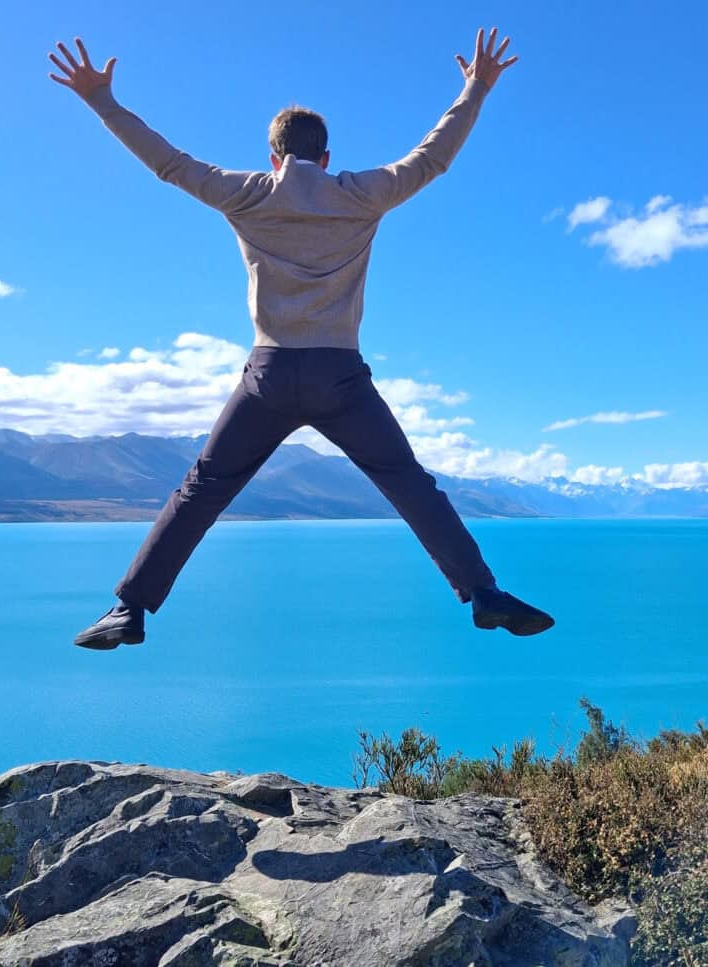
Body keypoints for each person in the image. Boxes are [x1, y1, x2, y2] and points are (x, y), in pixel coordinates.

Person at [48, 28, 555, 651]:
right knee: (410, 483)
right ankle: (482, 593)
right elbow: (433, 156)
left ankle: (129, 609)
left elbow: (168, 163)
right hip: (341, 378)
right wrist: (475, 89)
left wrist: (101, 99)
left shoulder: (248, 194)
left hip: (268, 376)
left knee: (202, 489)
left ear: (274, 156)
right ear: (326, 154)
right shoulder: (359, 195)